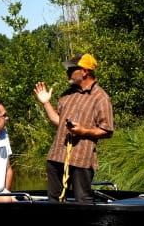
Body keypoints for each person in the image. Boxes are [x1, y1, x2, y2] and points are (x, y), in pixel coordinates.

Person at [33, 53, 114, 203]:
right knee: (54, 201)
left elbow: (107, 131)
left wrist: (84, 131)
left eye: (72, 69)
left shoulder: (101, 97)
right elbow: (58, 121)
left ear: (85, 71)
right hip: (57, 156)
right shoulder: (67, 94)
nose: (68, 72)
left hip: (81, 159)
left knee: (83, 201)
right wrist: (46, 103)